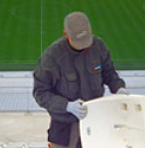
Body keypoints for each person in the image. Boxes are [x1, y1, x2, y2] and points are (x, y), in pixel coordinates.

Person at [33, 11, 128, 148]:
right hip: (63, 128)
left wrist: (119, 88)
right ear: (65, 34)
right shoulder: (52, 57)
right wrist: (67, 106)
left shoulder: (98, 47)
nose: (84, 46)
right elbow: (40, 92)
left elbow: (109, 72)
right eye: (78, 42)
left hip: (94, 121)